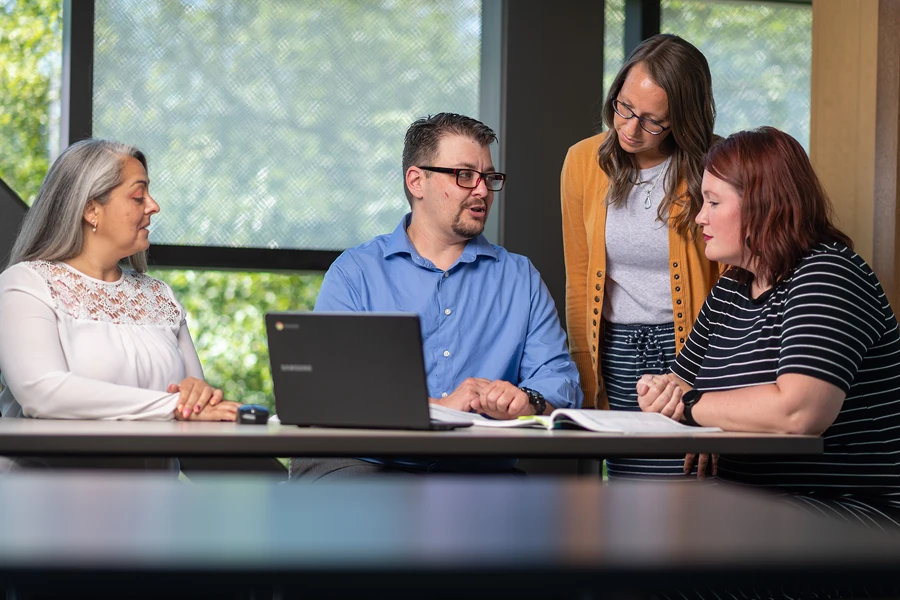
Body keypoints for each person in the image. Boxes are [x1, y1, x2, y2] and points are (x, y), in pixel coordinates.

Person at [291, 112, 582, 479]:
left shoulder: (519, 277)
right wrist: (440, 407)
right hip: (362, 464)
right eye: (464, 176)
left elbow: (561, 380)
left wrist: (528, 400)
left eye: (489, 178)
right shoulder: (355, 273)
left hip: (474, 471)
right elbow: (328, 394)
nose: (481, 191)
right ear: (417, 181)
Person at [638, 126, 900, 526]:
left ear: (763, 205)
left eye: (712, 202)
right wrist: (662, 393)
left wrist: (694, 408)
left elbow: (797, 411)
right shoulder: (732, 286)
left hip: (847, 512)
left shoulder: (828, 275)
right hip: (756, 504)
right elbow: (678, 385)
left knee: (668, 553)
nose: (699, 217)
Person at [0, 139, 239, 469]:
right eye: (138, 196)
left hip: (153, 506)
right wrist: (170, 406)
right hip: (47, 504)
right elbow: (45, 394)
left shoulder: (159, 296)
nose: (153, 206)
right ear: (91, 209)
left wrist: (197, 397)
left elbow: (196, 401)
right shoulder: (26, 283)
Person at [560, 34, 719, 479]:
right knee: (627, 498)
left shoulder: (716, 164)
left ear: (682, 120)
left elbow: (734, 286)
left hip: (690, 353)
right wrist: (584, 378)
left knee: (688, 498)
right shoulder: (581, 162)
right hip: (615, 353)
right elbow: (578, 280)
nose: (629, 129)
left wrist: (714, 392)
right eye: (624, 108)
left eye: (652, 122)